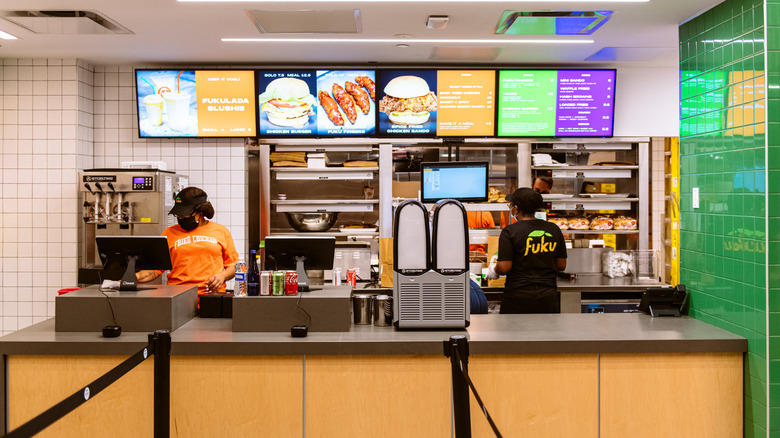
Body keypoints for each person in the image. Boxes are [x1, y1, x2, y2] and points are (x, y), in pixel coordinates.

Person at [137, 187, 239, 295]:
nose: (181, 218)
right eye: (178, 215)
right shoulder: (169, 233)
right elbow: (155, 269)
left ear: (200, 211)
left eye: (185, 214)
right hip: (178, 297)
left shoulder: (221, 231)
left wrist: (222, 276)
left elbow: (233, 266)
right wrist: (133, 277)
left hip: (211, 296)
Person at [487, 188, 567, 313]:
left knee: (514, 333)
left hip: (517, 297)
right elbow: (561, 265)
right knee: (547, 332)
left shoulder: (510, 231)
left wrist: (494, 270)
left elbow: (504, 267)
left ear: (516, 208)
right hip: (548, 298)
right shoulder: (554, 229)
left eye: (511, 205)